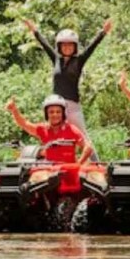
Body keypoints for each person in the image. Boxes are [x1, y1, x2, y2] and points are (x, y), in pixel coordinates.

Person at [24, 19, 113, 160]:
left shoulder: (79, 60)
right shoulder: (56, 60)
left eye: (70, 45)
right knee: (50, 135)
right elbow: (45, 45)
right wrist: (34, 30)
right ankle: (50, 162)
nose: (67, 48)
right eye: (64, 45)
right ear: (59, 47)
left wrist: (103, 32)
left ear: (75, 47)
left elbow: (91, 47)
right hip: (56, 106)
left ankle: (97, 165)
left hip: (72, 106)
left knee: (84, 138)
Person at [5, 94, 93, 164]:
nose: (55, 115)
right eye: (51, 112)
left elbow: (88, 147)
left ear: (63, 113)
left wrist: (78, 164)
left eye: (58, 112)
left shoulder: (71, 129)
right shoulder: (42, 129)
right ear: (47, 114)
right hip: (49, 168)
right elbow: (24, 124)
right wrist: (14, 110)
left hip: (68, 169)